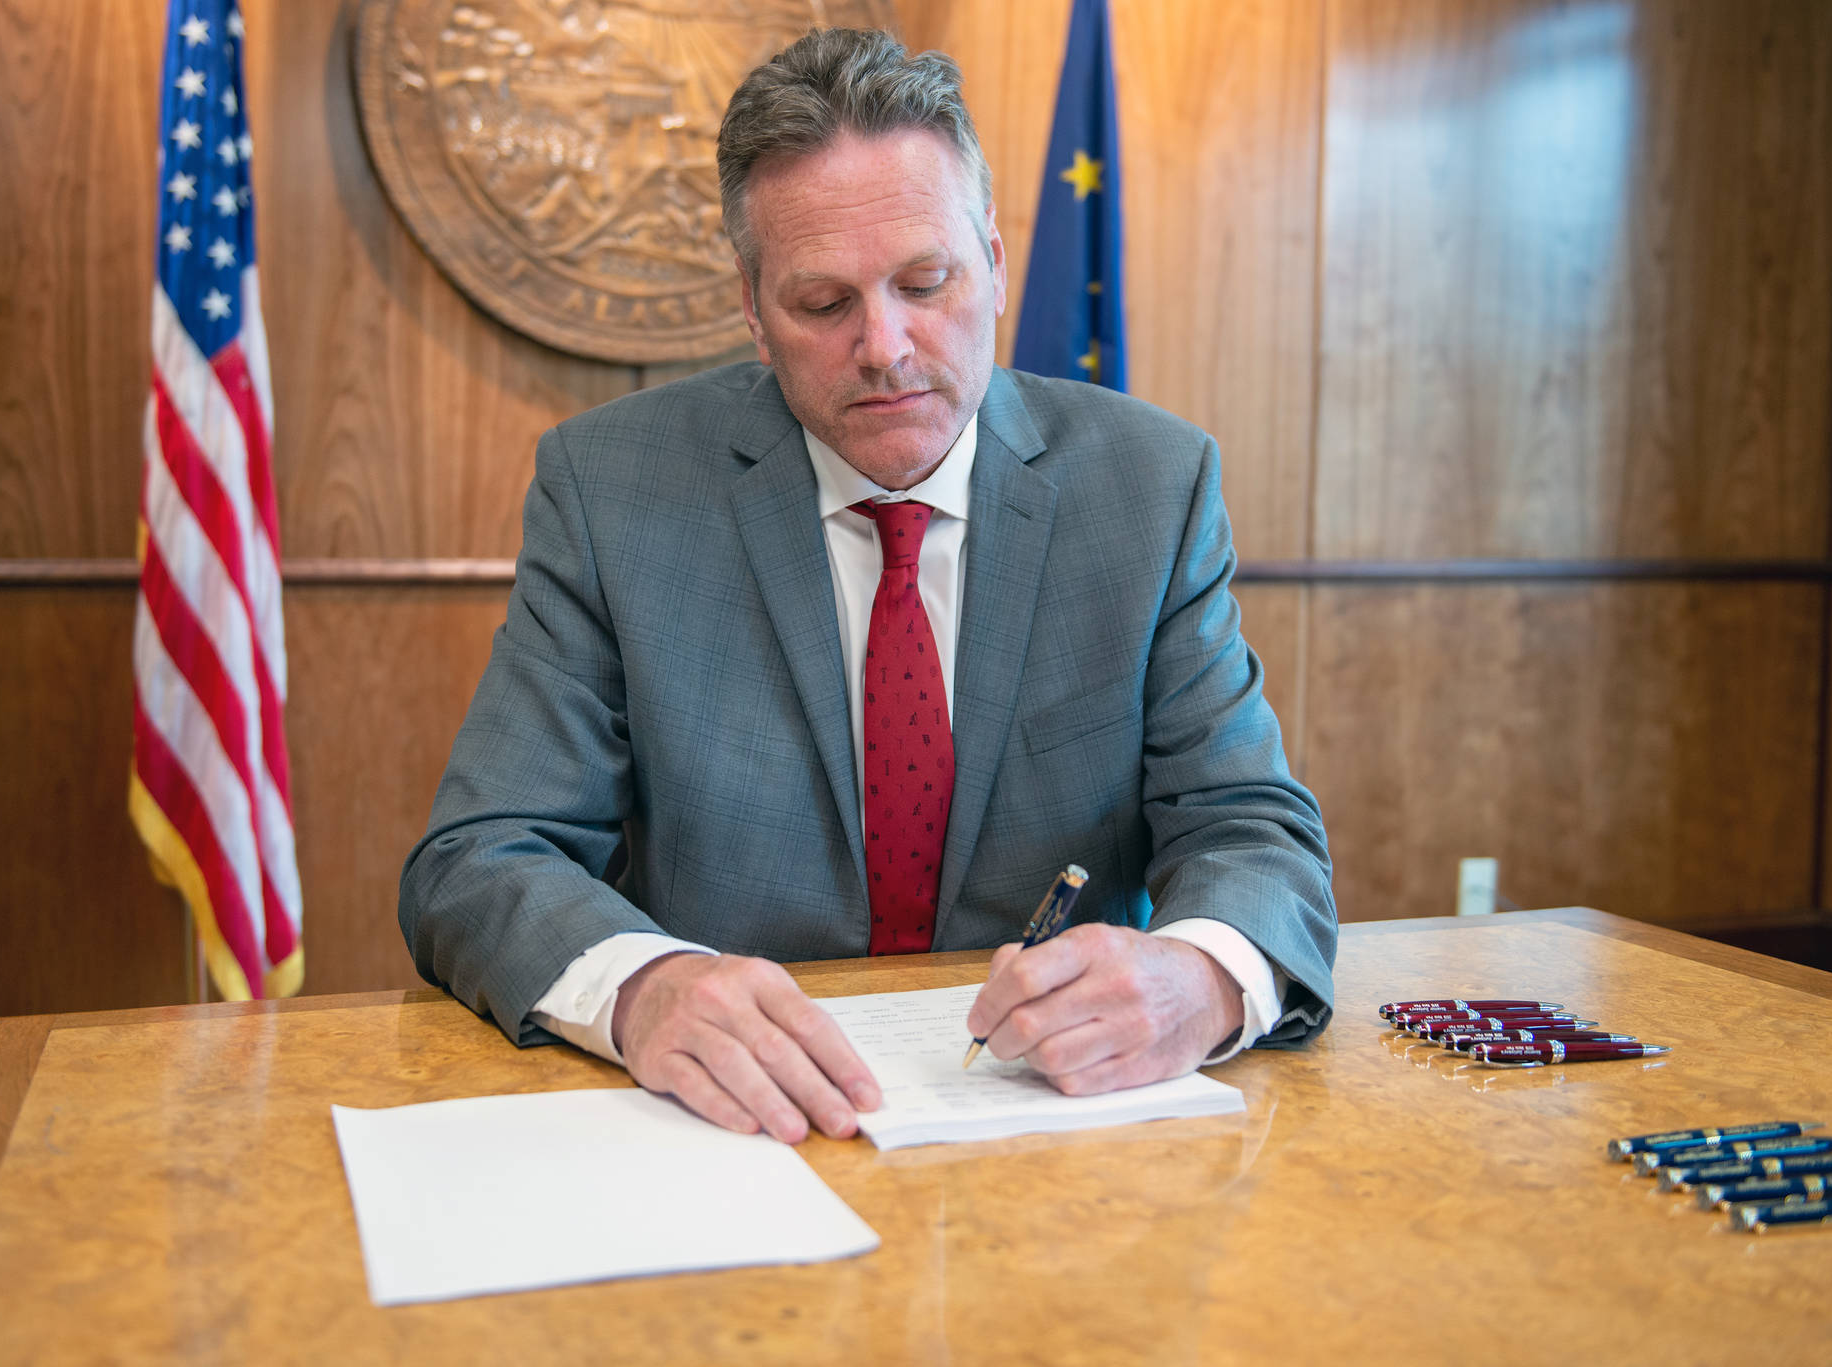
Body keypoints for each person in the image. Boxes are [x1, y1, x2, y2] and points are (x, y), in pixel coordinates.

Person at [399, 28, 1336, 1145]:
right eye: (821, 303)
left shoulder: (1148, 486)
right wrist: (643, 990)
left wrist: (1202, 977)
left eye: (924, 281)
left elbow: (1249, 826)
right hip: (730, 1136)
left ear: (991, 261)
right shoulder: (613, 492)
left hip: (1057, 1132)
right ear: (751, 307)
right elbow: (477, 857)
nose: (884, 347)